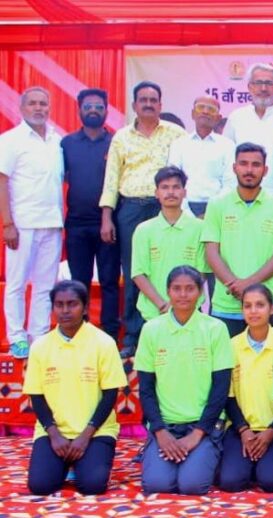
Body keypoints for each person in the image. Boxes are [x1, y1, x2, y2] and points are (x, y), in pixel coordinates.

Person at [99, 81, 186, 358]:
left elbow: (186, 171)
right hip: (131, 209)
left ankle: (172, 325)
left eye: (153, 100)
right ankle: (134, 334)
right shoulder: (121, 137)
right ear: (134, 105)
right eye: (143, 100)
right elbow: (112, 178)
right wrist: (106, 216)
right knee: (135, 270)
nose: (148, 104)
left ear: (161, 105)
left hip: (167, 207)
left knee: (170, 266)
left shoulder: (176, 134)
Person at [136, 266, 234, 495]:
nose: (183, 295)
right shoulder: (151, 330)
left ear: (200, 292)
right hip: (165, 426)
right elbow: (146, 389)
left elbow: (220, 388)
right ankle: (158, 451)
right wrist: (160, 432)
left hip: (203, 425)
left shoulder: (215, 329)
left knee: (192, 485)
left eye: (190, 289)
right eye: (177, 289)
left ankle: (207, 452)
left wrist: (197, 434)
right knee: (157, 485)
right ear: (167, 291)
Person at [25, 280, 126, 495]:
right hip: (54, 431)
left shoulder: (104, 343)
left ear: (85, 307)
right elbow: (36, 396)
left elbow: (110, 395)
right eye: (59, 305)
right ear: (52, 308)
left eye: (72, 304)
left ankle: (81, 463)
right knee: (40, 486)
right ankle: (66, 464)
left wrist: (85, 436)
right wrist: (54, 435)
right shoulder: (40, 346)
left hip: (95, 431)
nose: (65, 310)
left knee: (92, 485)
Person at [204, 143, 273, 336]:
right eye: (243, 164)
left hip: (267, 302)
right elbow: (211, 252)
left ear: (265, 170)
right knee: (227, 356)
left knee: (272, 355)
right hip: (226, 303)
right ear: (234, 167)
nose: (249, 170)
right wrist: (234, 284)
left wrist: (249, 285)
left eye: (256, 165)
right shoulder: (217, 205)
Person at [0, 87, 64, 359]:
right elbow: (2, 182)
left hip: (52, 223)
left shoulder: (56, 140)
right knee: (16, 283)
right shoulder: (10, 140)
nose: (39, 108)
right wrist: (7, 224)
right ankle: (17, 337)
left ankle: (38, 337)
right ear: (22, 108)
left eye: (43, 104)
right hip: (22, 224)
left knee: (45, 285)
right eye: (33, 104)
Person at [218, 284, 273, 493]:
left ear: (272, 308)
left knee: (272, 482)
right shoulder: (231, 346)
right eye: (247, 306)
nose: (253, 311)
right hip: (241, 429)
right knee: (230, 482)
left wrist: (271, 432)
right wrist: (243, 430)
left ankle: (261, 464)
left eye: (260, 305)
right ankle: (247, 464)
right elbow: (228, 396)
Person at [62, 88, 120, 341]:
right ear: (79, 111)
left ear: (106, 110)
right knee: (79, 281)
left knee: (109, 280)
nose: (93, 110)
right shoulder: (67, 144)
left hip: (109, 223)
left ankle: (110, 334)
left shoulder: (116, 142)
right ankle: (81, 332)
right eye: (88, 107)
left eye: (99, 106)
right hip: (76, 223)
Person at [131, 166, 207, 326]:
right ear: (156, 193)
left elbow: (201, 272)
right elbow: (138, 273)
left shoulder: (199, 228)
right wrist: (162, 305)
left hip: (190, 313)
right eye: (165, 187)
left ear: (184, 192)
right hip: (154, 313)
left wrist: (180, 305)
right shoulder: (144, 230)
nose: (171, 192)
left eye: (176, 187)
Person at [223, 64, 273, 200]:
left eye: (269, 83)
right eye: (258, 83)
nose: (263, 88)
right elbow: (227, 157)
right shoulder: (236, 117)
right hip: (241, 195)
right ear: (250, 87)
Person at [167, 96, 236, 217]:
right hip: (184, 208)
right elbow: (172, 180)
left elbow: (230, 183)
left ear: (218, 118)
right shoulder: (179, 144)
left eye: (211, 109)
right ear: (192, 114)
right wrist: (187, 213)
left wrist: (212, 212)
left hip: (218, 209)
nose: (205, 112)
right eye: (200, 107)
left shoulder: (227, 145)